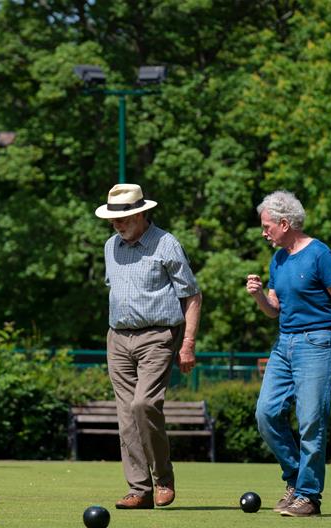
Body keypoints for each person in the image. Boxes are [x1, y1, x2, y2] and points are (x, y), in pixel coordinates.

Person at [245, 190, 331, 517]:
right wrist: (259, 297)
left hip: (317, 343)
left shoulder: (320, 254)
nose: (264, 232)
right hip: (284, 344)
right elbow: (275, 309)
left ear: (284, 223)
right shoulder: (277, 259)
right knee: (266, 414)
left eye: (267, 226)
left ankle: (308, 497)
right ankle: (295, 478)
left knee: (311, 422)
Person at [94, 183, 203, 510]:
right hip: (117, 338)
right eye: (114, 218)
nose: (117, 223)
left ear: (142, 213)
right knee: (126, 415)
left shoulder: (166, 244)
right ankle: (139, 489)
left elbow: (192, 295)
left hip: (158, 336)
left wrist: (188, 344)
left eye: (124, 217)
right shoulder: (110, 246)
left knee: (143, 405)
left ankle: (163, 479)